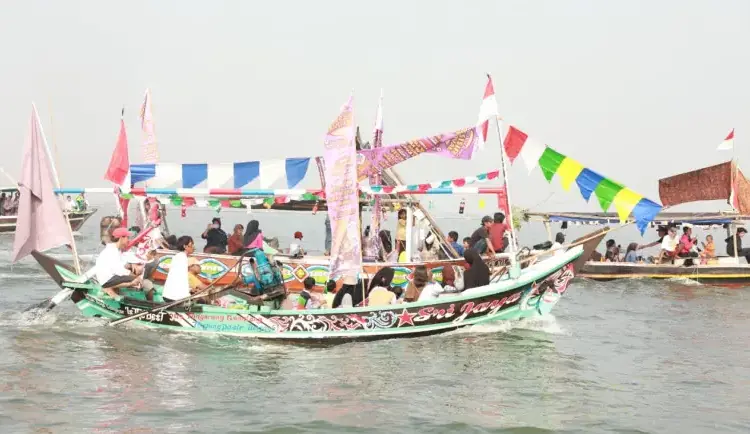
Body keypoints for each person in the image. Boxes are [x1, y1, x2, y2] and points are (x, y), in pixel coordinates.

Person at [95, 227, 143, 299]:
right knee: (135, 279)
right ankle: (108, 288)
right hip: (106, 281)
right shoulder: (113, 251)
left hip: (107, 278)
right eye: (127, 238)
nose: (128, 240)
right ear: (121, 238)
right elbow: (120, 270)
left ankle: (113, 288)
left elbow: (122, 264)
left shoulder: (114, 249)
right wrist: (136, 277)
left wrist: (131, 265)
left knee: (133, 273)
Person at [162, 236, 195, 302]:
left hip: (168, 295)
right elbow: (181, 279)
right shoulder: (182, 258)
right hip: (175, 298)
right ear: (185, 246)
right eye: (191, 245)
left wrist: (189, 289)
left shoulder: (179, 256)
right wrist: (188, 293)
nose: (193, 247)